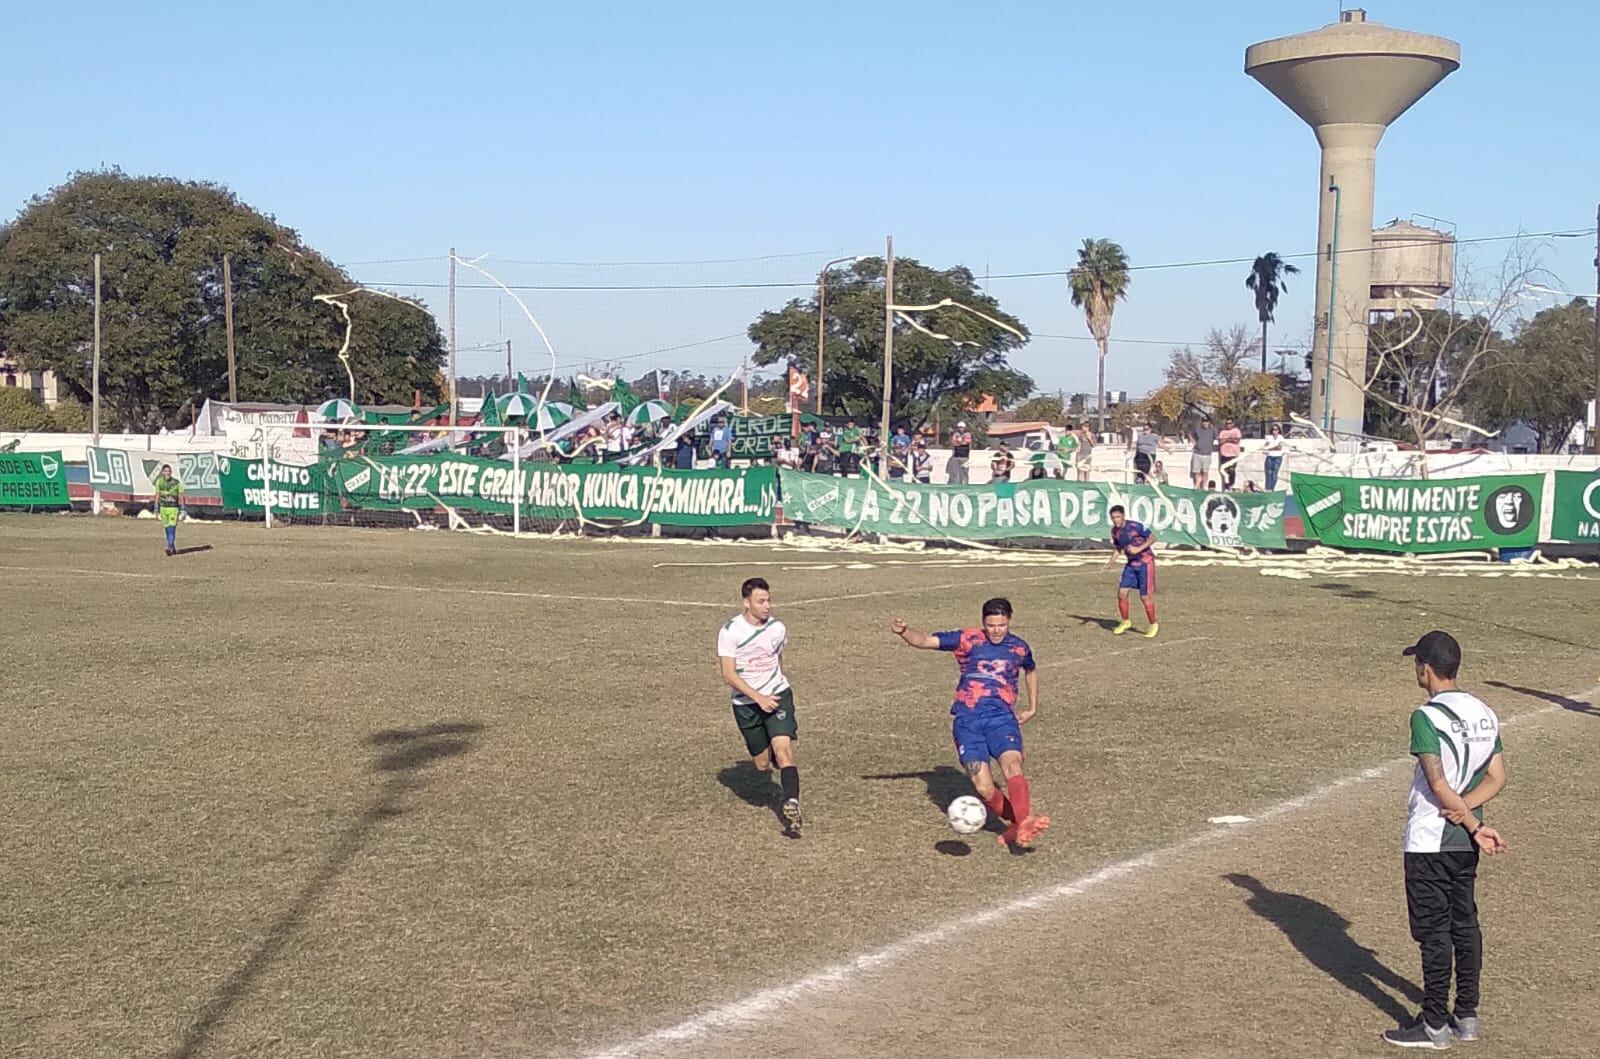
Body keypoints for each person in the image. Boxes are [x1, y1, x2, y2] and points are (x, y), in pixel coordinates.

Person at [1383, 631, 1507, 1050]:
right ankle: (1466, 1015)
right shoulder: (1485, 712)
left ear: (1426, 669)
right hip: (1463, 845)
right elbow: (1497, 777)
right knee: (1465, 924)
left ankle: (1434, 1023)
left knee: (1434, 933)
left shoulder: (1426, 717)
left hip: (1430, 842)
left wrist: (1465, 818)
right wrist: (1470, 816)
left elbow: (1437, 784)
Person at [889, 598, 1050, 848]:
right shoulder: (967, 639)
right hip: (968, 722)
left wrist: (1032, 707)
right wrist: (905, 632)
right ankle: (1018, 823)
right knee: (984, 788)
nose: (996, 630)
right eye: (991, 625)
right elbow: (925, 641)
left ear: (1010, 621)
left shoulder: (1019, 648)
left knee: (1013, 766)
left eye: (1002, 625)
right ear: (983, 622)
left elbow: (1031, 670)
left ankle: (1024, 822)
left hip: (1001, 719)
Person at [716, 578, 803, 834]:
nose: (767, 606)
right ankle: (772, 756)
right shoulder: (730, 632)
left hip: (777, 695)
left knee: (784, 750)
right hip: (746, 704)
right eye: (761, 601)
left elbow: (778, 658)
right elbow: (728, 675)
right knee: (762, 764)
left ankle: (792, 802)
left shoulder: (777, 628)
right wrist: (757, 697)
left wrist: (776, 688)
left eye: (768, 600)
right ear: (746, 602)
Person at [1105, 504, 1157, 638]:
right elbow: (1118, 548)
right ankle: (1125, 621)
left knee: (1144, 596)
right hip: (1131, 564)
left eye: (1118, 517)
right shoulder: (1115, 532)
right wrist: (1110, 563)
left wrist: (1138, 549)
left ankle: (1153, 624)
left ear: (1123, 516)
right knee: (1122, 593)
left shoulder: (1135, 526)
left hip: (1145, 563)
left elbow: (1153, 538)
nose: (1116, 520)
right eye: (1113, 518)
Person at [153, 464, 185, 556]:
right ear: (162, 472)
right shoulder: (159, 482)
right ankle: (172, 547)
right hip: (163, 508)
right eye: (166, 471)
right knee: (167, 529)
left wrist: (182, 508)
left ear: (171, 472)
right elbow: (157, 495)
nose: (167, 473)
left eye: (169, 471)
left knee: (172, 529)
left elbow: (181, 495)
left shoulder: (176, 482)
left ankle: (169, 546)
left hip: (173, 509)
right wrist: (156, 508)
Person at [1190, 415, 1218, 489]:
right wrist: (1194, 442)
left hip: (1207, 454)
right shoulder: (1198, 429)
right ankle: (1198, 486)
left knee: (1205, 471)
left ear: (1209, 422)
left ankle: (1204, 487)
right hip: (1197, 453)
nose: (1205, 423)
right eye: (1204, 422)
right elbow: (1190, 434)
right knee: (1197, 471)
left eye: (1207, 422)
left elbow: (1217, 437)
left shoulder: (1213, 430)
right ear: (1201, 423)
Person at [1218, 417, 1243, 491]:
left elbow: (1237, 440)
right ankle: (1226, 486)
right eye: (1227, 423)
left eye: (1229, 423)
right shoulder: (1222, 432)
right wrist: (1230, 439)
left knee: (1232, 471)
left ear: (1233, 424)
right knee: (1224, 471)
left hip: (1233, 455)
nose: (1228, 425)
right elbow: (1220, 441)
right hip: (1224, 454)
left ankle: (1231, 484)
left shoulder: (1236, 431)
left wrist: (1226, 439)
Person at [1262, 422, 1286, 491]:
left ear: (1278, 430)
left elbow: (1279, 448)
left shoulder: (1281, 437)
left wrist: (1271, 448)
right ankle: (1268, 488)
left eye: (1276, 429)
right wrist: (1273, 447)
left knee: (1275, 473)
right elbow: (1266, 447)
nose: (1274, 431)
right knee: (1268, 473)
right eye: (1273, 429)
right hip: (1270, 456)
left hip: (1278, 457)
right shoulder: (1268, 437)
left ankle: (1272, 488)